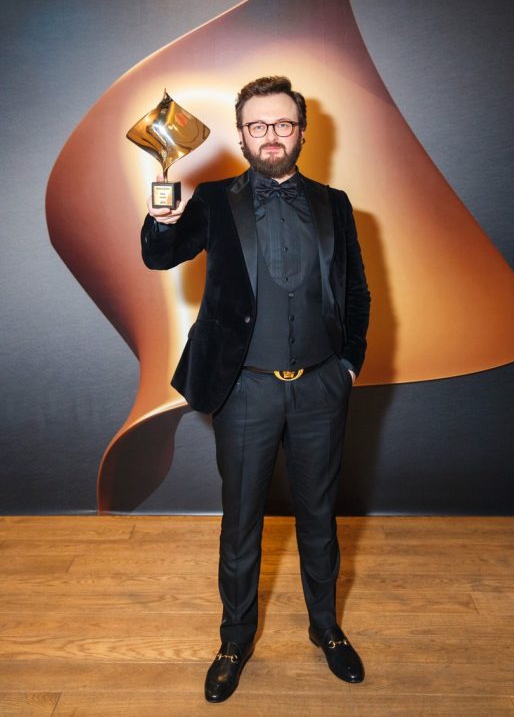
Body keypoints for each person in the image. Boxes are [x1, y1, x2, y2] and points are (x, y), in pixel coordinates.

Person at [141, 75, 371, 703]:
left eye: (283, 124)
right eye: (258, 125)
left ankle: (326, 628)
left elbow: (356, 291)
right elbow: (161, 257)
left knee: (320, 517)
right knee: (241, 522)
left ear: (302, 131)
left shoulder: (336, 203)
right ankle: (234, 640)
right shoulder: (214, 199)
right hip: (244, 391)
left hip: (321, 390)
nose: (271, 135)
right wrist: (160, 219)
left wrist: (348, 365)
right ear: (242, 135)